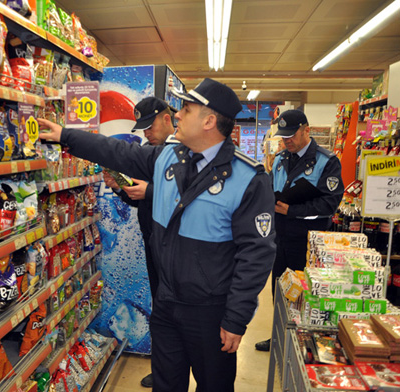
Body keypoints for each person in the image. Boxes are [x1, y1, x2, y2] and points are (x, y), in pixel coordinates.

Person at [38, 78, 276, 392]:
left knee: (214, 386)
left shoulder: (248, 179)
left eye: (186, 109)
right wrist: (67, 135)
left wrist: (236, 318)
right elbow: (118, 152)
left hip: (210, 312)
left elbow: (256, 255)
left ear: (209, 121)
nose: (177, 114)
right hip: (165, 303)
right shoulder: (168, 157)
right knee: (165, 384)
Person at [102, 96, 177, 388]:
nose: (146, 133)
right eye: (142, 127)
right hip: (152, 241)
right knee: (160, 308)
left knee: (174, 310)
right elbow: (141, 200)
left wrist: (150, 192)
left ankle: (177, 369)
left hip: (177, 246)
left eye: (150, 125)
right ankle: (163, 370)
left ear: (167, 118)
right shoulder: (148, 152)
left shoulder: (184, 154)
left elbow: (186, 199)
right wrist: (121, 187)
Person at [255, 109, 344, 352]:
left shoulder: (327, 161)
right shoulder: (282, 159)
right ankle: (279, 337)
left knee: (305, 296)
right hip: (280, 238)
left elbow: (330, 203)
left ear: (306, 130)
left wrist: (292, 211)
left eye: (291, 136)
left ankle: (303, 343)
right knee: (280, 288)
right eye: (283, 137)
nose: (286, 141)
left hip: (307, 242)